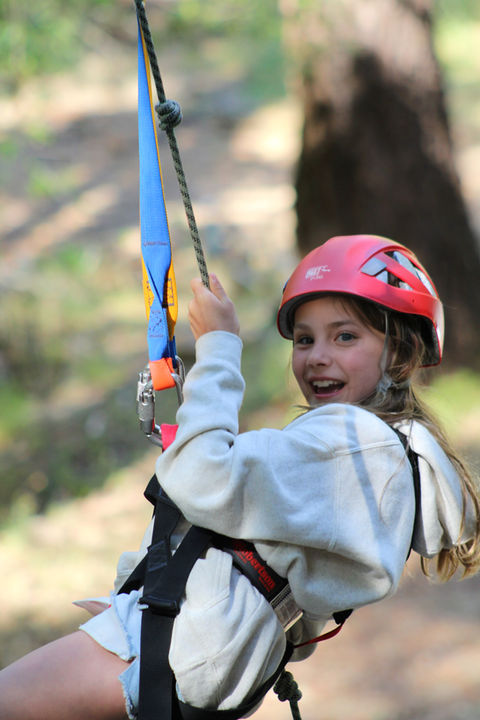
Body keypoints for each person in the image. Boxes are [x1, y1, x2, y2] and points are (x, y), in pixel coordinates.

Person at [1, 233, 479, 720]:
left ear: (400, 353)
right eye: (304, 339)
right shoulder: (378, 458)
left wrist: (218, 348)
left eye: (345, 336)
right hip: (189, 643)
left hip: (175, 647)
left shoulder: (355, 443)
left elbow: (201, 476)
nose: (316, 355)